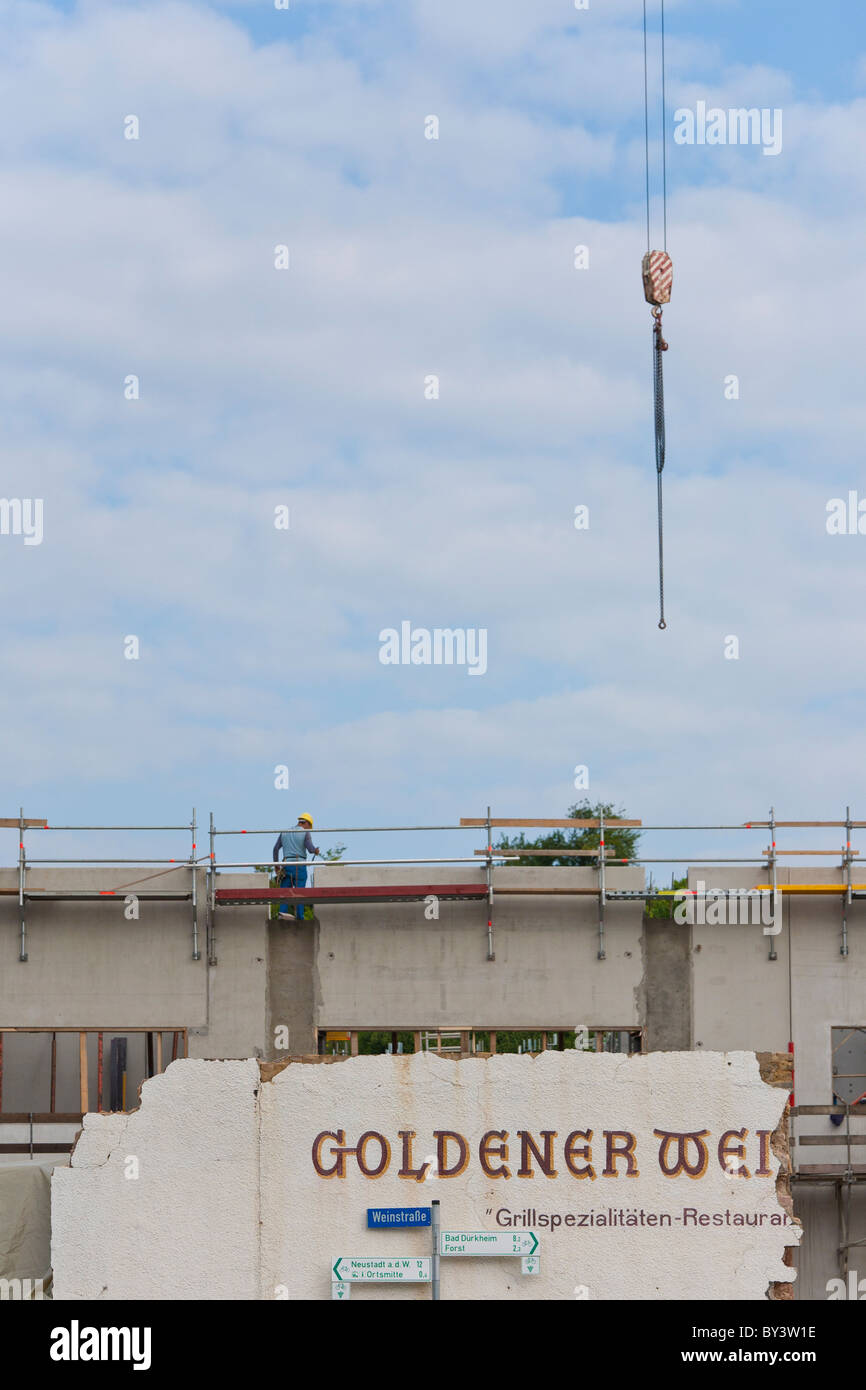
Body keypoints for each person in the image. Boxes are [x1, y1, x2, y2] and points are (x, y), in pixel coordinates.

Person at [273, 814, 319, 921]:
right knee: (300, 892)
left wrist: (276, 866)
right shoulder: (305, 832)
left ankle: (282, 914)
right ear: (307, 823)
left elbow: (275, 849)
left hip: (286, 866)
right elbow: (310, 848)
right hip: (300, 867)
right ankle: (299, 917)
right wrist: (315, 851)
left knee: (285, 892)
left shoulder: (284, 832)